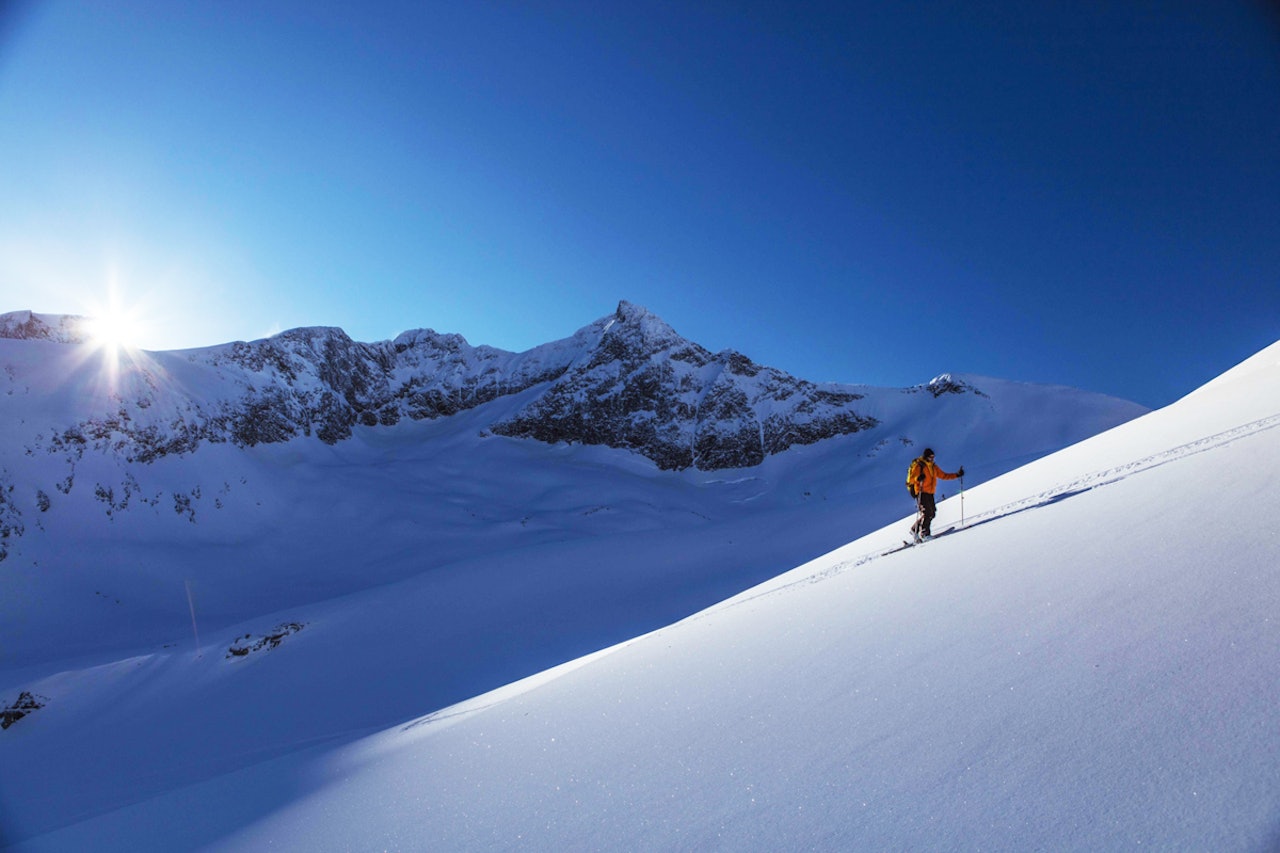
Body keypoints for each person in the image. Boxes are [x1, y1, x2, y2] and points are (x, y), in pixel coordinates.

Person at [907, 448, 963, 541]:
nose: (932, 459)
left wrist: (957, 475)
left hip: (930, 492)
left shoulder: (933, 467)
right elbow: (911, 479)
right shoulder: (919, 466)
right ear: (926, 456)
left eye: (933, 457)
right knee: (927, 512)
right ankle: (925, 533)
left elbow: (943, 475)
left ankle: (914, 529)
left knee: (932, 513)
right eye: (930, 457)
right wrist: (918, 478)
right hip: (921, 492)